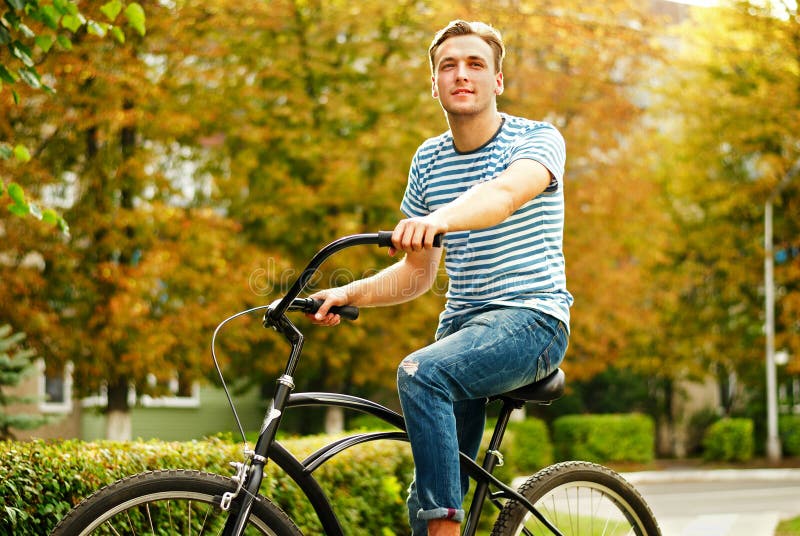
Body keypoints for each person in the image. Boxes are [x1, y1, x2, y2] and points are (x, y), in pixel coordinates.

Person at [308, 20, 572, 536]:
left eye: (475, 64)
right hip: (463, 333)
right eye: (448, 66)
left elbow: (502, 196)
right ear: (434, 84)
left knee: (418, 373)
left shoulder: (537, 138)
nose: (461, 75)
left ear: (497, 80)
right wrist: (346, 291)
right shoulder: (428, 160)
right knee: (422, 504)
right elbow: (414, 275)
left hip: (533, 322)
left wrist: (440, 219)